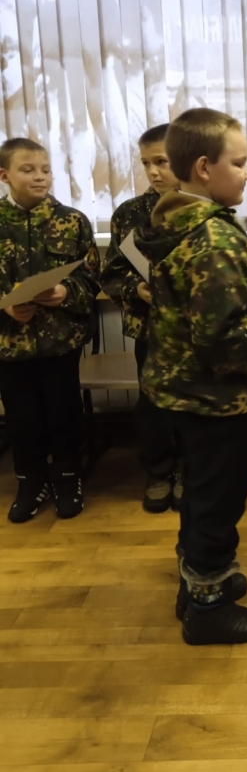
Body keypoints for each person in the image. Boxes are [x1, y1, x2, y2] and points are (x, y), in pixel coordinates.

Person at [133, 108, 247, 646]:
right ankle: (207, 609)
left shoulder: (178, 221)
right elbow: (223, 339)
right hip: (216, 399)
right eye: (239, 162)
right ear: (205, 168)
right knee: (218, 501)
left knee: (201, 493)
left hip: (185, 393)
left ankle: (197, 583)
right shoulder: (215, 240)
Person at [0, 137, 100, 522]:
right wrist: (7, 304)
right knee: (22, 418)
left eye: (45, 170)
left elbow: (92, 278)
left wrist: (65, 291)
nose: (40, 177)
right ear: (5, 176)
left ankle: (68, 478)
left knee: (64, 413)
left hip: (61, 341)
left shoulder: (72, 221)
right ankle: (30, 482)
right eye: (28, 170)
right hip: (9, 344)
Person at [102, 123, 181, 513]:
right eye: (146, 163)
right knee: (152, 405)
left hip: (195, 330)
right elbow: (112, 273)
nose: (153, 171)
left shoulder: (203, 207)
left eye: (162, 162)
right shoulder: (129, 213)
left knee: (191, 402)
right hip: (149, 327)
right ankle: (159, 472)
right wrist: (137, 289)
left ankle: (188, 471)